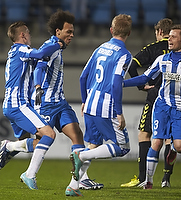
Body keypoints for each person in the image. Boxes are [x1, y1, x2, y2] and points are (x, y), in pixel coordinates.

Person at [120, 18, 181, 188]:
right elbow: (145, 77)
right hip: (161, 106)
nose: (169, 39)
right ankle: (148, 180)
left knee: (180, 146)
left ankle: (172, 155)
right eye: (169, 36)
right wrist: (123, 83)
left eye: (173, 37)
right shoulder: (162, 60)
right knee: (156, 141)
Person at [0, 21, 64, 189]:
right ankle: (28, 173)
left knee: (32, 142)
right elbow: (40, 53)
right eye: (29, 34)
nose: (31, 37)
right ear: (23, 35)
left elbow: (38, 61)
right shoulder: (21, 50)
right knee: (49, 134)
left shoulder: (15, 53)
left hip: (12, 105)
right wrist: (57, 44)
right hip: (19, 105)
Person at [29, 9, 103, 196]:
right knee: (38, 143)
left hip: (60, 104)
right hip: (47, 104)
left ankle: (78, 180)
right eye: (68, 31)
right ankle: (14, 159)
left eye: (72, 31)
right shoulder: (51, 47)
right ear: (57, 32)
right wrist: (38, 87)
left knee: (77, 135)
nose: (72, 34)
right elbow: (39, 66)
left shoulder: (57, 48)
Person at [69, 14, 133, 196]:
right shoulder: (124, 55)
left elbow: (83, 76)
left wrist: (83, 101)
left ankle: (73, 185)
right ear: (129, 32)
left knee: (94, 144)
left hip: (90, 104)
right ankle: (81, 155)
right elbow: (115, 83)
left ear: (111, 30)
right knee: (122, 147)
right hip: (106, 107)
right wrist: (119, 113)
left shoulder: (100, 48)